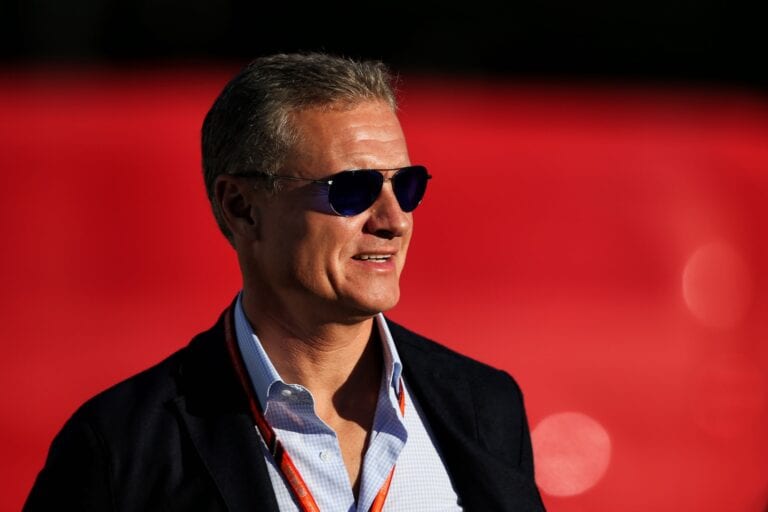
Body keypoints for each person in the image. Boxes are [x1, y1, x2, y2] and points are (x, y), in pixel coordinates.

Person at [25, 53, 545, 511]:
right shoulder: (120, 446)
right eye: (353, 189)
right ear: (241, 207)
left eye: (406, 186)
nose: (395, 220)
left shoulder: (485, 405)